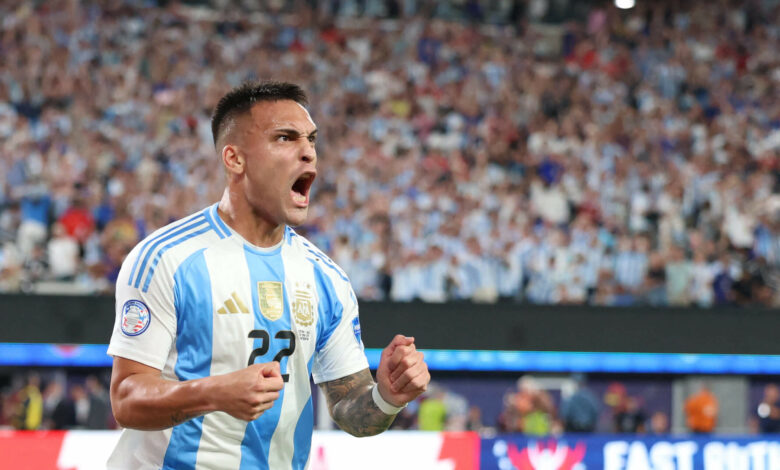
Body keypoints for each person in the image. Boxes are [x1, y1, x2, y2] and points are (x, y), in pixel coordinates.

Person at [106, 81, 430, 469]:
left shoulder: (326, 278)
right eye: (285, 138)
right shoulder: (166, 258)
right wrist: (213, 393)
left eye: (311, 140)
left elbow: (351, 409)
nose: (308, 152)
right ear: (235, 159)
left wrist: (386, 397)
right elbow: (126, 400)